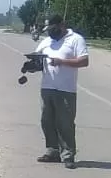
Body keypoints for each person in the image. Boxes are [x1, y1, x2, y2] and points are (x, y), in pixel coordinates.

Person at [34, 14, 89, 169]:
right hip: (47, 87)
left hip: (66, 89)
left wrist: (62, 62)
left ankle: (68, 155)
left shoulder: (76, 39)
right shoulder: (46, 41)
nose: (50, 32)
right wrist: (31, 65)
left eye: (52, 28)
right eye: (48, 29)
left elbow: (84, 61)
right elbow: (37, 59)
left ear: (62, 25)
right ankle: (52, 151)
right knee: (47, 121)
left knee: (65, 123)